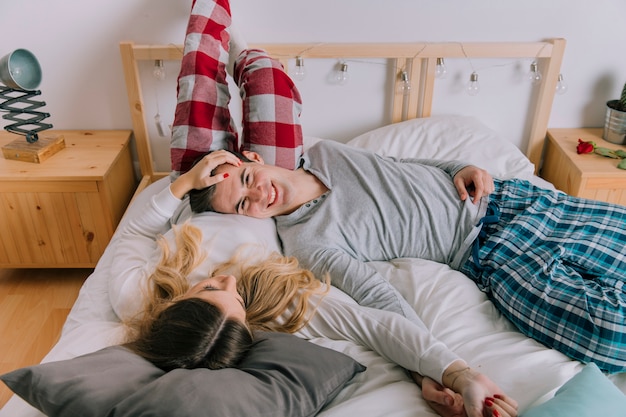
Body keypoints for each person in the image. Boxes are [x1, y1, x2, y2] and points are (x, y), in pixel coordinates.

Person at [116, 151, 518, 417]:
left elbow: (133, 232)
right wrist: (454, 374)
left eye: (208, 288)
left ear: (174, 306)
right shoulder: (272, 292)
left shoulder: (132, 294)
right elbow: (375, 322)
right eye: (232, 295)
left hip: (204, 184)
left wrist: (185, 181)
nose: (226, 278)